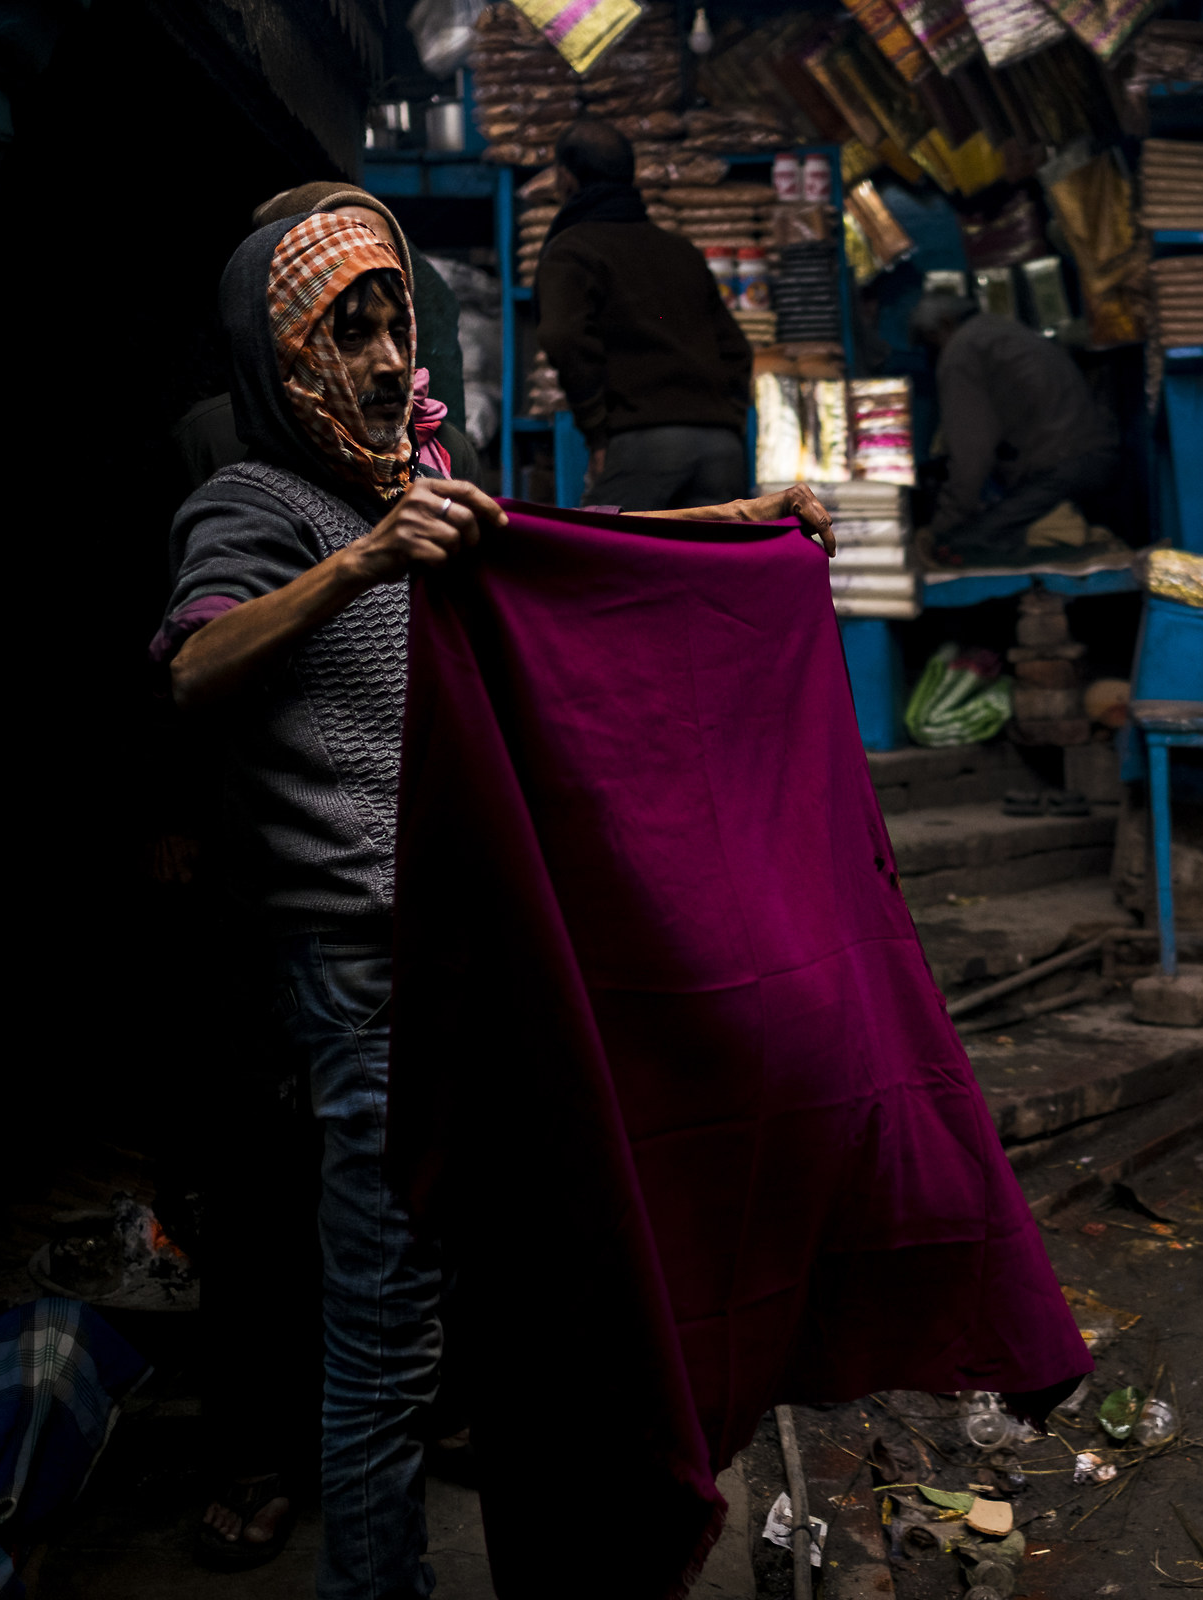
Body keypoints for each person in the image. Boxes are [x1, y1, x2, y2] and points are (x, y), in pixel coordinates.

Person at [154, 209, 831, 1600]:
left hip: (461, 944)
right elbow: (190, 667)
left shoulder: (412, 475)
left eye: (398, 322)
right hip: (353, 970)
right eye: (354, 332)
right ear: (280, 358)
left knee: (504, 1295)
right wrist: (361, 561)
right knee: (385, 1331)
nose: (395, 359)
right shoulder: (257, 505)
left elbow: (559, 548)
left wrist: (736, 524)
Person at [173, 184, 474, 490]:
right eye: (340, 248)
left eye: (383, 251)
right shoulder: (218, 447)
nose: (371, 263)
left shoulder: (439, 451)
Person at [536, 119, 754, 511]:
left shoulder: (572, 250)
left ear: (566, 179)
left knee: (599, 560)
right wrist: (726, 419)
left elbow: (562, 336)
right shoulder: (680, 250)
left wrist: (597, 432)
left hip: (645, 445)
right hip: (721, 448)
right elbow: (737, 349)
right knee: (705, 568)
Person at [910, 291, 1119, 566]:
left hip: (1064, 465)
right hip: (1091, 456)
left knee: (968, 546)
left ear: (945, 325)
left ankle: (1097, 556)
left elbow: (971, 455)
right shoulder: (998, 328)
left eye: (930, 342)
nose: (933, 354)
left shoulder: (961, 351)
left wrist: (939, 528)